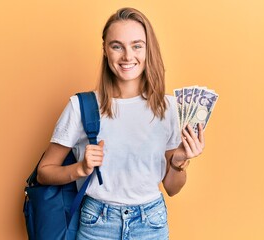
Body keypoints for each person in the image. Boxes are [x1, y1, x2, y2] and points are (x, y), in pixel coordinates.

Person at [37, 7, 205, 240]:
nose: (127, 56)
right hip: (97, 223)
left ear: (149, 50)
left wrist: (178, 162)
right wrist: (80, 169)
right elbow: (44, 173)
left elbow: (172, 188)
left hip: (151, 223)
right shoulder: (81, 106)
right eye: (117, 46)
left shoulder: (169, 109)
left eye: (137, 45)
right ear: (105, 50)